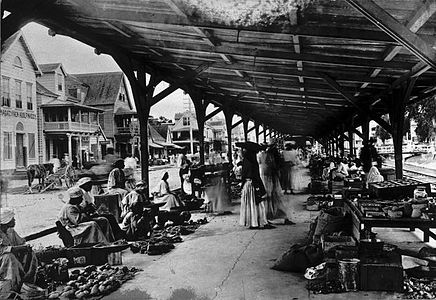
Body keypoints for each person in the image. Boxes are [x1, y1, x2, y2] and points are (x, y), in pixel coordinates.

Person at [0, 208, 38, 294]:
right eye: (12, 219)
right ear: (6, 221)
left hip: (9, 255)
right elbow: (3, 250)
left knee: (29, 253)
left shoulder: (11, 231)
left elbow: (20, 242)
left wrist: (26, 247)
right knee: (9, 257)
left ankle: (27, 281)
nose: (14, 220)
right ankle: (13, 286)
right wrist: (18, 249)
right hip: (3, 259)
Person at [238, 142, 273, 229]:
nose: (242, 151)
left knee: (250, 204)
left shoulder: (246, 161)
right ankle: (258, 221)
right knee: (257, 204)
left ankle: (253, 222)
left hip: (249, 184)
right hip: (253, 184)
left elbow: (244, 175)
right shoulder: (253, 161)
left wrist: (242, 185)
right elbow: (256, 175)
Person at [259, 145, 295, 224]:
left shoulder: (264, 155)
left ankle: (269, 217)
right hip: (269, 179)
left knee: (271, 199)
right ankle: (271, 217)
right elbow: (270, 168)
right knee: (274, 198)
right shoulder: (268, 156)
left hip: (269, 179)